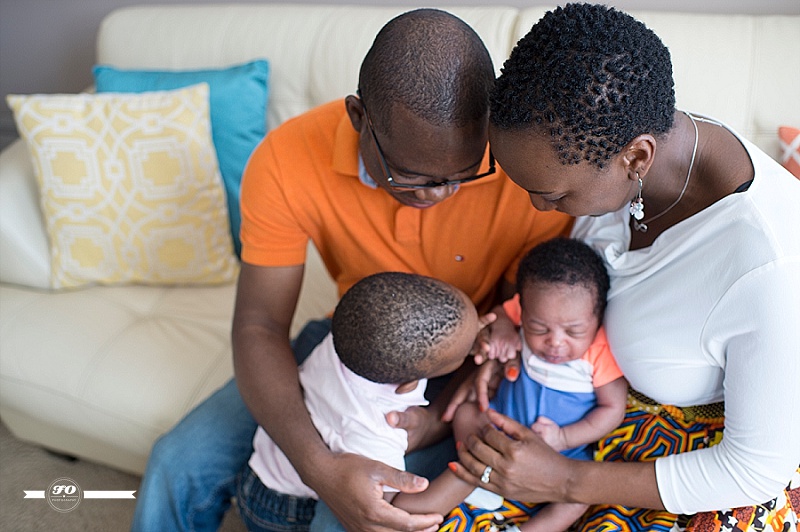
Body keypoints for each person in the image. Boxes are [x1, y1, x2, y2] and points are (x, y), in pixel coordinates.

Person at [131, 8, 572, 532]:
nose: (440, 194)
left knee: (347, 519)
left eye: (464, 174)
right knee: (176, 462)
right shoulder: (287, 157)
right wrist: (318, 467)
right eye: (411, 176)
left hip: (462, 355)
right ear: (359, 116)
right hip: (355, 340)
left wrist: (438, 419)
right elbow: (258, 325)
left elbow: (516, 317)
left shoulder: (521, 167)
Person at [447, 4, 800, 531]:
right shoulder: (612, 134)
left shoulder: (768, 268)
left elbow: (753, 471)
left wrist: (563, 480)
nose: (537, 210)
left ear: (636, 158)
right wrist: (518, 345)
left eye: (551, 195)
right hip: (575, 415)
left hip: (697, 472)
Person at [393, 237, 626, 532]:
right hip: (498, 434)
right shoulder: (531, 309)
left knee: (577, 501)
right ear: (524, 311)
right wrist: (502, 329)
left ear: (597, 318)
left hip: (559, 455)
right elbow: (503, 313)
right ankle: (477, 480)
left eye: (574, 331)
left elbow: (612, 409)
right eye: (538, 328)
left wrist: (564, 438)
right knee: (465, 414)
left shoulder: (599, 352)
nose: (555, 341)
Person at [237, 272, 486, 531]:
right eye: (467, 350)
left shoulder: (353, 336)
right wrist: (472, 474)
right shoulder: (377, 432)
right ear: (410, 383)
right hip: (282, 508)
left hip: (265, 460)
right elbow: (393, 511)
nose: (479, 335)